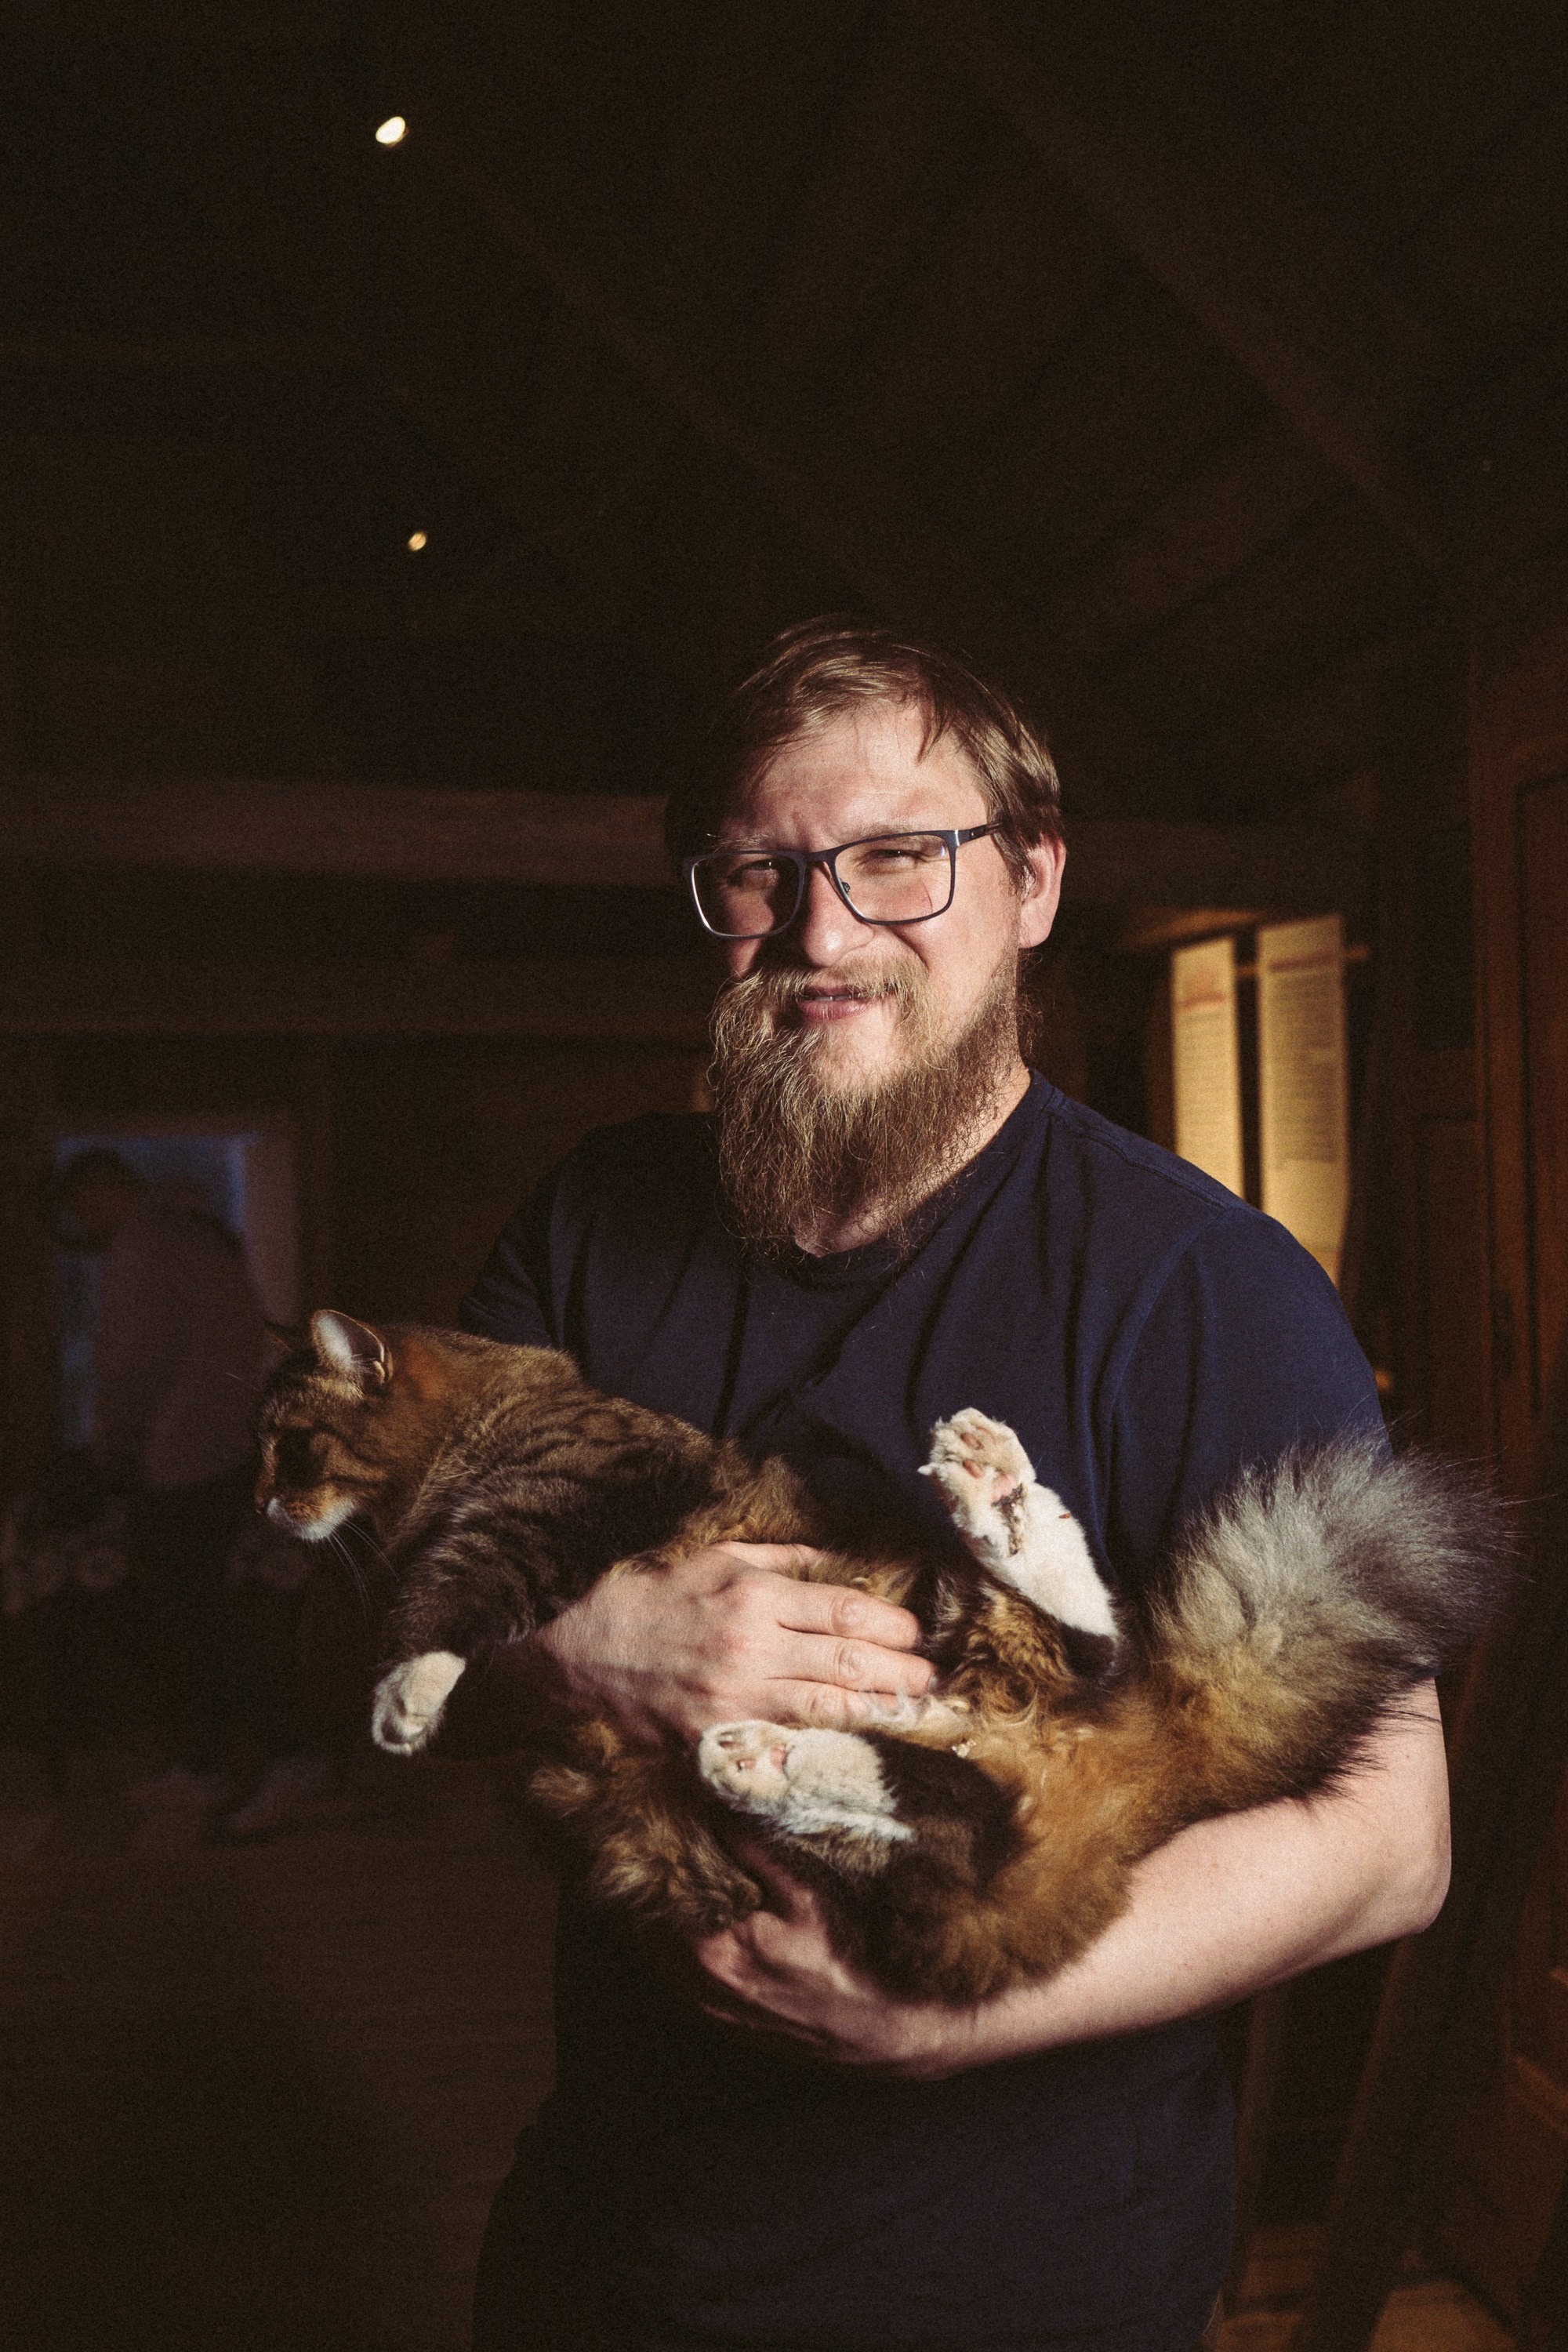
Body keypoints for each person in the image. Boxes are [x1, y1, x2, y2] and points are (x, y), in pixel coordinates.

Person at [452, 619, 1450, 2352]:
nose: (823, 929)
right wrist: (575, 1651)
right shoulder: (591, 1224)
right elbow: (356, 1628)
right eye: (761, 871)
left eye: (898, 859)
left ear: (1033, 884)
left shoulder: (1201, 1288)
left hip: (1023, 2281)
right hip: (614, 2251)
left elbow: (1389, 1842)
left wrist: (944, 2019)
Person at [57, 1149, 267, 1800]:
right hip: (232, 1446)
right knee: (208, 1612)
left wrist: (108, 1450)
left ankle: (207, 1764)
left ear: (98, 1196)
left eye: (82, 1215)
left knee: (181, 1619)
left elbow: (130, 1366)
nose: (87, 1235)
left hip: (182, 1457)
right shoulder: (205, 1235)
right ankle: (255, 1757)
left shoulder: (143, 1246)